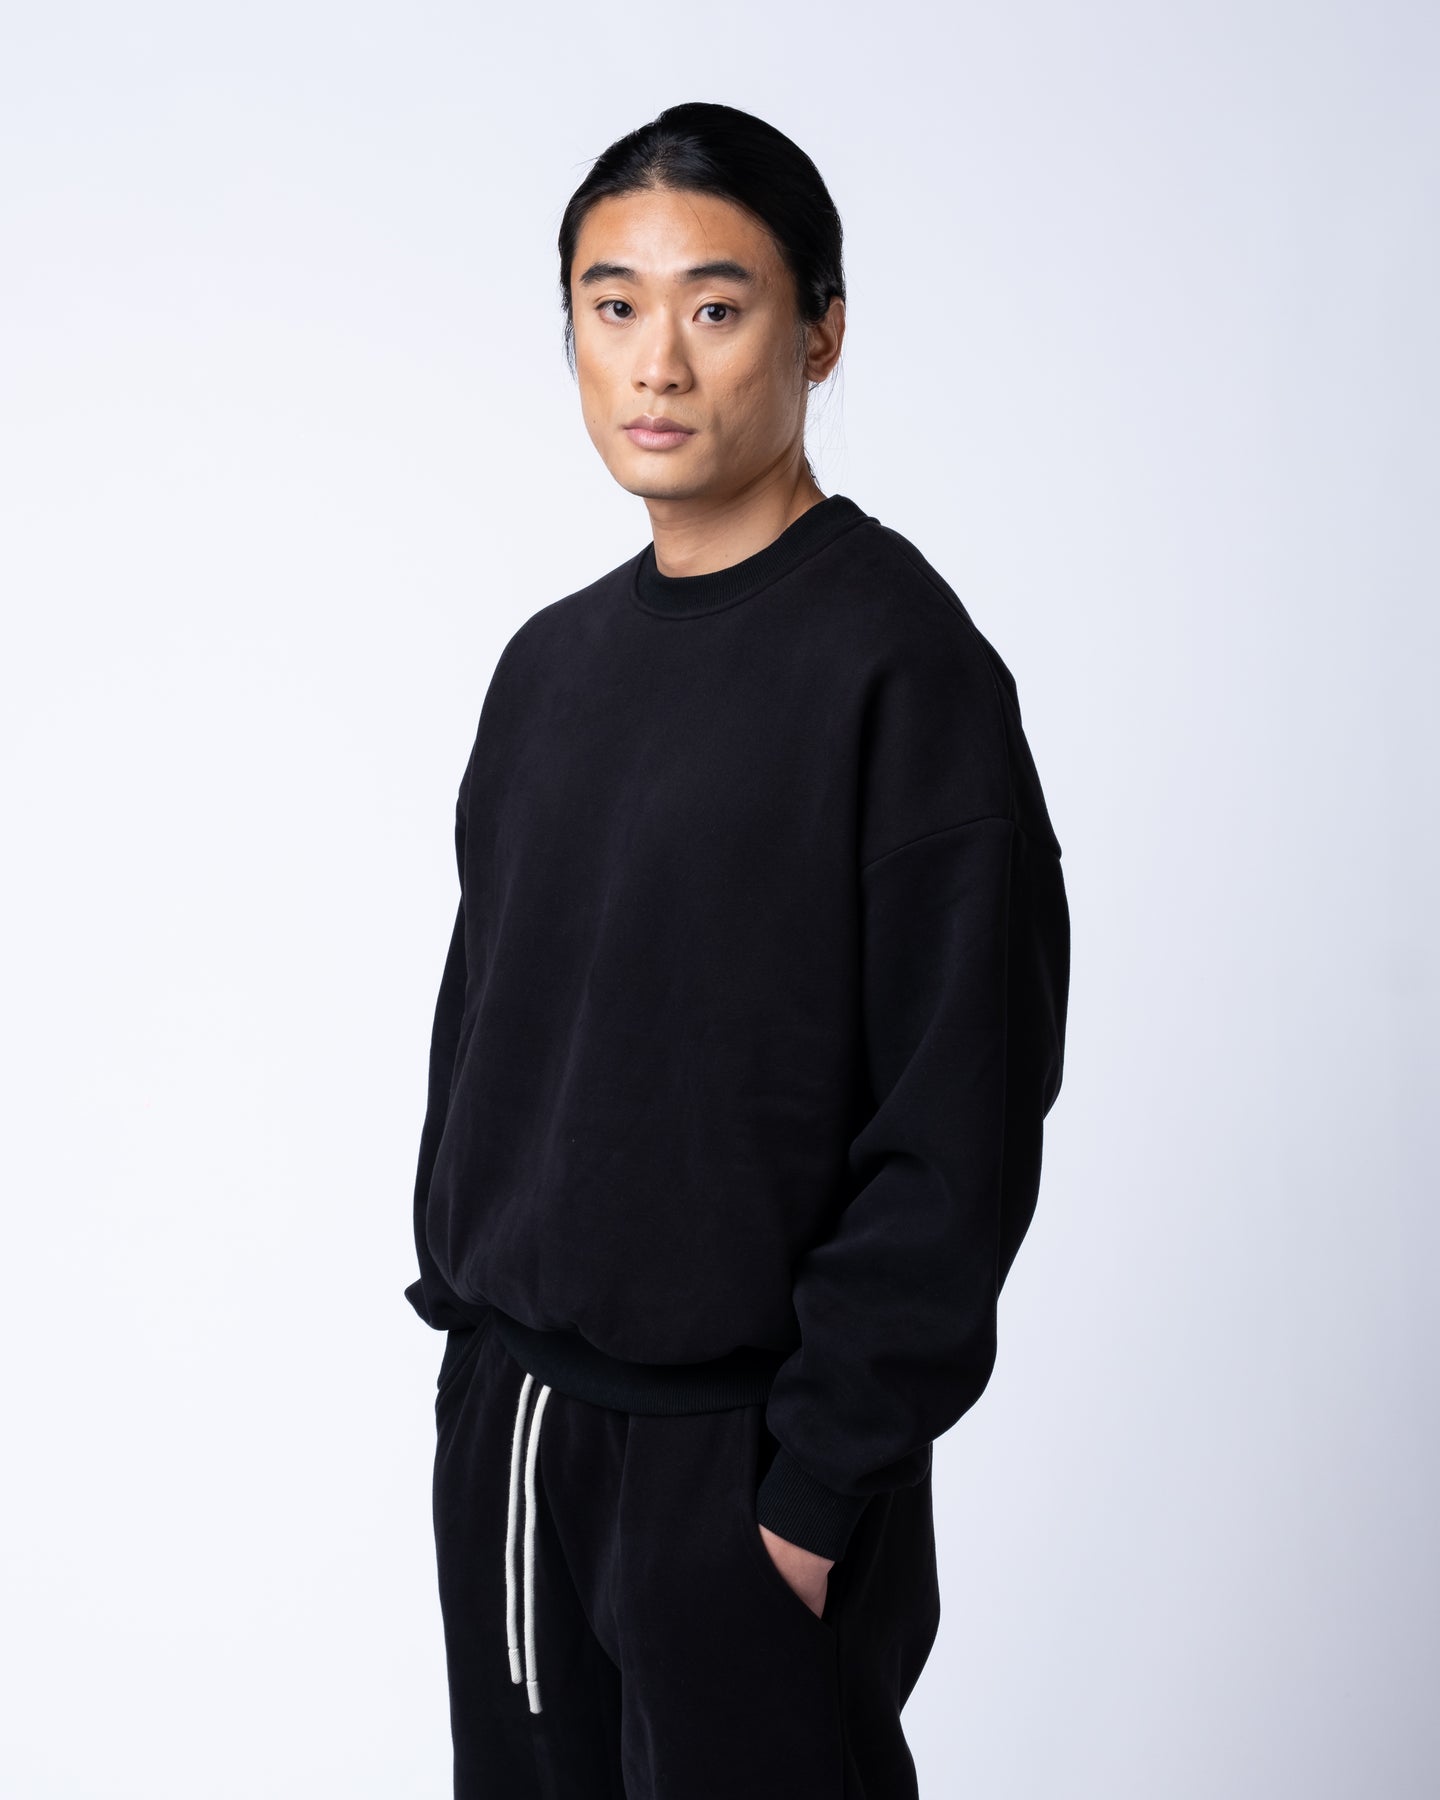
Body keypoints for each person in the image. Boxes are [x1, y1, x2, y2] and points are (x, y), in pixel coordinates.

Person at [404, 100, 1070, 1800]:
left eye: (716, 305)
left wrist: (811, 1491)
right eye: (612, 304)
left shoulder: (903, 671)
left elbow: (960, 1119)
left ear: (820, 332)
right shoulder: (547, 671)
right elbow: (490, 1025)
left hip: (744, 1467)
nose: (658, 363)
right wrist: (469, 1341)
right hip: (517, 1436)